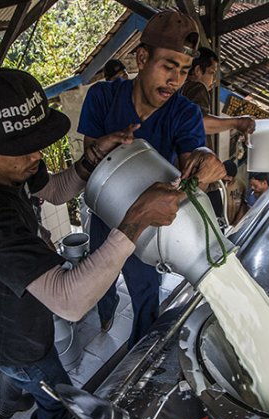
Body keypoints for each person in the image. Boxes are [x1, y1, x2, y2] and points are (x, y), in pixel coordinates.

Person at [0, 68, 184, 419]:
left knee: (16, 376)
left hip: (4, 319)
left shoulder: (5, 161)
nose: (36, 155)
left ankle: (7, 403)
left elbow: (55, 191)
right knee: (55, 396)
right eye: (25, 150)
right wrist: (138, 217)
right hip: (16, 338)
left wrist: (93, 156)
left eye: (37, 143)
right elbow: (71, 300)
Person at [78, 11, 226, 342]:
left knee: (147, 293)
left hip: (149, 230)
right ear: (142, 58)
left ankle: (140, 353)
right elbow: (92, 164)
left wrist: (204, 164)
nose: (175, 81)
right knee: (100, 279)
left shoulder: (184, 112)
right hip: (106, 213)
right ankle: (106, 313)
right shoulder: (102, 98)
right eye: (168, 67)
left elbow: (191, 165)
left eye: (184, 72)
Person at [179, 47, 255, 152]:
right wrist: (237, 122)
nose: (214, 80)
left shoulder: (181, 88)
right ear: (197, 70)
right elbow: (200, 123)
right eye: (211, 73)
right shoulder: (197, 87)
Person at [207, 160, 248, 227]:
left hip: (232, 224)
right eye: (227, 175)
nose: (229, 179)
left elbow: (243, 205)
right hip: (217, 224)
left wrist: (235, 225)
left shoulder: (240, 185)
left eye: (231, 176)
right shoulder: (213, 184)